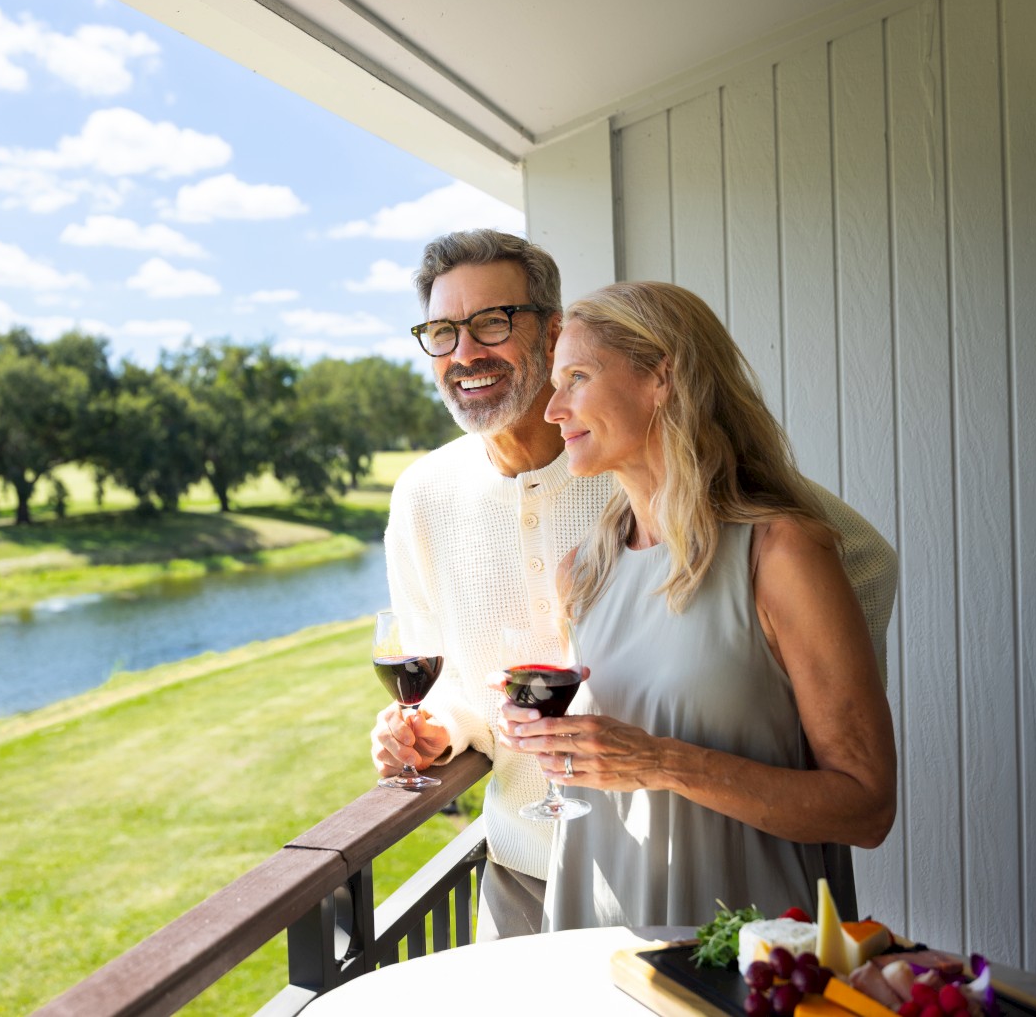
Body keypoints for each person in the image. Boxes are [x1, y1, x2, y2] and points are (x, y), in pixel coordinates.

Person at [372, 231, 897, 939]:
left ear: (551, 330)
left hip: (731, 902)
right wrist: (443, 727)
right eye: (442, 332)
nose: (466, 352)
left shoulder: (746, 529)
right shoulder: (461, 513)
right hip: (550, 883)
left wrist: (778, 697)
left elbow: (854, 563)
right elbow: (463, 687)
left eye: (491, 322)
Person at [496, 280, 897, 930]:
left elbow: (866, 809)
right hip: (596, 939)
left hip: (742, 948)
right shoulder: (585, 570)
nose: (552, 409)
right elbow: (605, 749)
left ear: (661, 376)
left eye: (575, 377)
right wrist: (541, 730)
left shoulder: (782, 555)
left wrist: (659, 762)